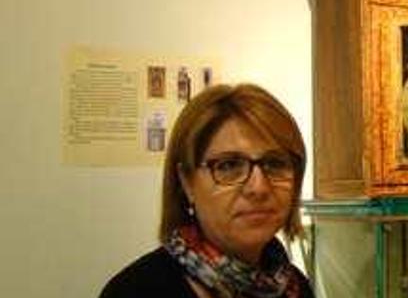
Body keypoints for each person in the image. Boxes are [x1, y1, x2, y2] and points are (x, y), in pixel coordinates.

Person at [101, 83, 313, 298]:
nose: (258, 188)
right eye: (229, 165)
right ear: (187, 182)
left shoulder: (295, 287)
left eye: (275, 163)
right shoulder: (135, 291)